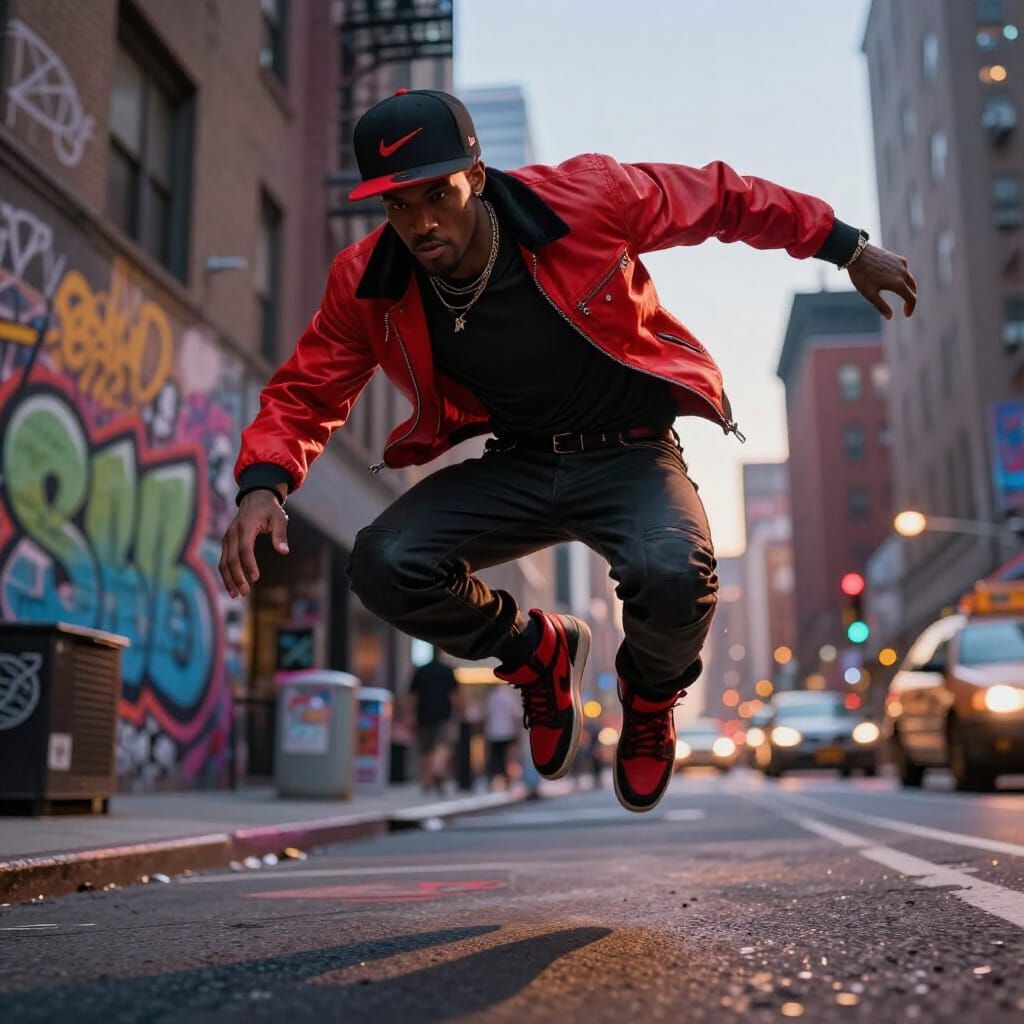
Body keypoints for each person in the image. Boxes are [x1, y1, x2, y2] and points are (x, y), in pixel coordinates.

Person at [220, 90, 917, 814]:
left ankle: (648, 698)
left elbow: (722, 199)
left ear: (477, 175)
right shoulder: (366, 282)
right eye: (398, 205)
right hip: (521, 464)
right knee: (383, 563)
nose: (422, 223)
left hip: (631, 456)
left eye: (439, 195)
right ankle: (535, 652)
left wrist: (844, 245)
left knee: (674, 574)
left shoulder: (587, 200)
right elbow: (306, 390)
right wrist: (264, 487)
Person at [405, 651, 459, 794]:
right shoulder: (448, 671)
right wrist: (461, 712)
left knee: (426, 749)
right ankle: (437, 768)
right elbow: (454, 695)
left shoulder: (421, 671)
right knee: (444, 744)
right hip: (444, 715)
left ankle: (426, 780)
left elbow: (412, 696)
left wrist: (410, 715)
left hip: (423, 715)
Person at [484, 682, 521, 788]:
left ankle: (494, 780)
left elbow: (487, 716)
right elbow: (515, 716)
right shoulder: (509, 697)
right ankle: (507, 781)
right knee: (507, 759)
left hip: (494, 733)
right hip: (508, 732)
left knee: (495, 759)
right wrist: (518, 735)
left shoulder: (491, 697)